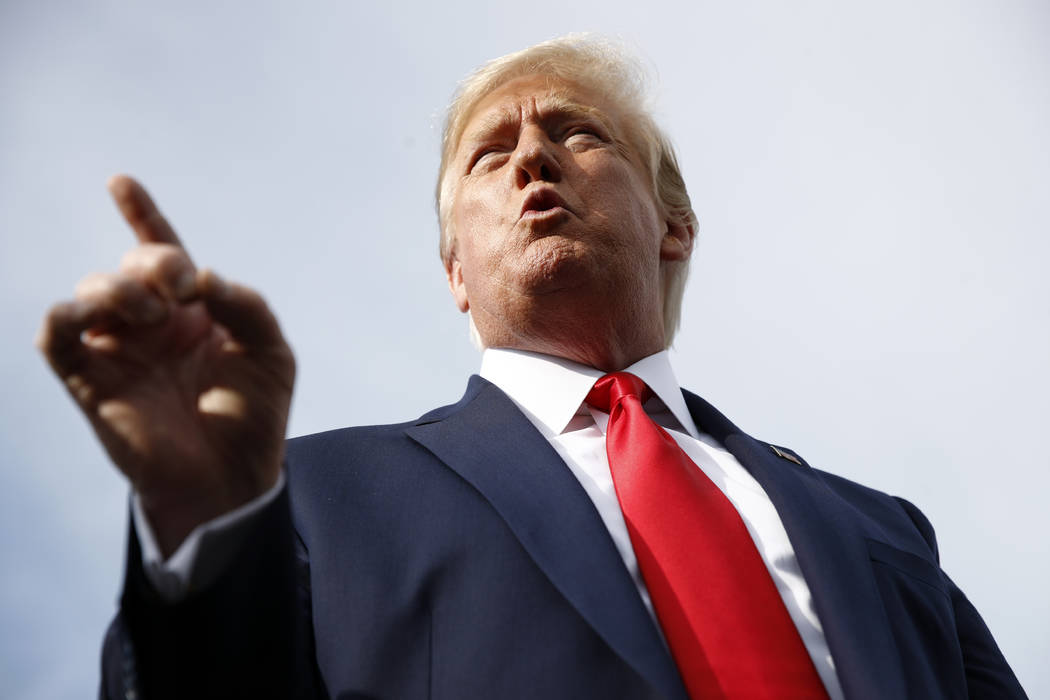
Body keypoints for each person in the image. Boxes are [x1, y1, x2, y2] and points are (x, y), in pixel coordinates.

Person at [38, 36, 1024, 699]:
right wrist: (207, 527)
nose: (531, 159)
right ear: (454, 272)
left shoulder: (881, 532)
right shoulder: (301, 502)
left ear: (675, 225)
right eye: (488, 153)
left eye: (574, 131)